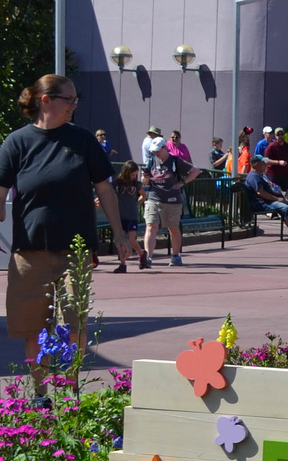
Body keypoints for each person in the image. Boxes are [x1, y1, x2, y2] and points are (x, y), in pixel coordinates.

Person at [0, 75, 121, 381]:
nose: (74, 106)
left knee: (74, 322)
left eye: (75, 100)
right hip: (29, 252)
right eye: (68, 100)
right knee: (32, 326)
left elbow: (105, 189)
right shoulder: (16, 142)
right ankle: (41, 394)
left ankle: (71, 390)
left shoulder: (82, 140)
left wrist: (119, 233)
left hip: (75, 250)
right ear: (46, 101)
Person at [139, 138, 192, 266]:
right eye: (154, 151)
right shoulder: (151, 161)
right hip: (154, 197)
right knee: (151, 226)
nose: (156, 154)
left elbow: (195, 171)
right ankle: (148, 258)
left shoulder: (175, 161)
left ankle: (176, 255)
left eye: (158, 151)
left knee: (173, 228)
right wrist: (144, 177)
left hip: (172, 200)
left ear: (164, 148)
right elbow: (144, 181)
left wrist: (182, 182)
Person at [244, 165, 288, 239]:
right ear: (256, 164)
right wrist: (277, 199)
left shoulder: (262, 175)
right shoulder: (253, 176)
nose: (265, 165)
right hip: (263, 203)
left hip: (272, 200)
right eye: (263, 163)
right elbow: (260, 193)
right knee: (285, 208)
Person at [105, 161, 143, 271]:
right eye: (132, 174)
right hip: (120, 215)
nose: (134, 177)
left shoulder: (136, 184)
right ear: (127, 173)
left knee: (131, 240)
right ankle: (122, 264)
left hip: (132, 216)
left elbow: (143, 195)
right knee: (121, 239)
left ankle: (142, 254)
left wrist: (136, 204)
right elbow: (108, 193)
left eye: (136, 174)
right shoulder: (117, 183)